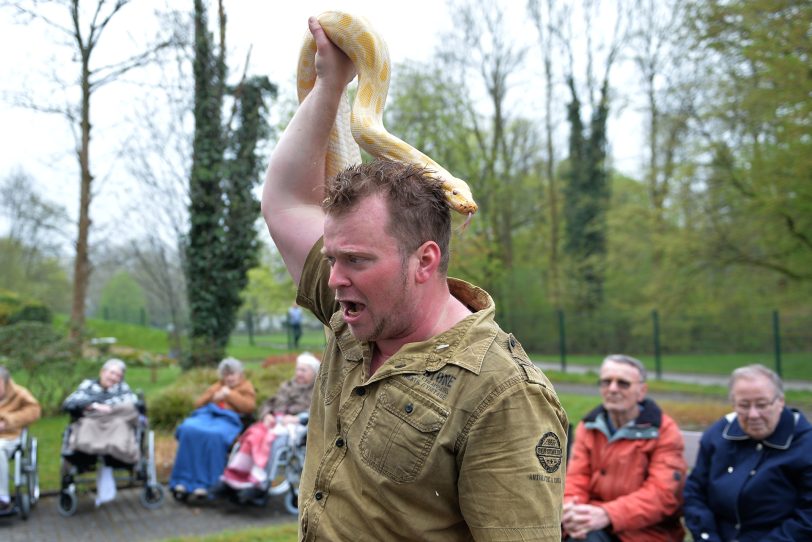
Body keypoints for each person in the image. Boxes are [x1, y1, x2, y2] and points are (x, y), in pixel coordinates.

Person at [261, 16, 568, 541]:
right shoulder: (356, 317)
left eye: (356, 260)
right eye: (333, 257)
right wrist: (330, 85)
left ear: (424, 260)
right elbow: (285, 201)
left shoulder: (503, 393)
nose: (334, 280)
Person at [562, 354, 686, 542]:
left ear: (642, 391)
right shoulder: (588, 427)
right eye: (606, 382)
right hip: (589, 525)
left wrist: (607, 515)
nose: (612, 389)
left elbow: (662, 495)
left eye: (623, 383)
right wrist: (572, 511)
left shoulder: (664, 431)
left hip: (644, 532)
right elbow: (576, 479)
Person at [684, 364, 812, 541]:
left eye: (762, 404)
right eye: (744, 405)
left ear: (780, 402)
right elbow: (695, 492)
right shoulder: (718, 435)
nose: (753, 414)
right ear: (733, 404)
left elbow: (808, 516)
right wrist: (707, 536)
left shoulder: (805, 444)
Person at [213, 352, 320, 502]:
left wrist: (297, 419)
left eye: (304, 370)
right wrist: (267, 415)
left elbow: (317, 412)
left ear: (314, 373)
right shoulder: (287, 386)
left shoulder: (318, 391)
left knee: (270, 441)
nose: (299, 373)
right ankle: (236, 478)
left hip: (295, 428)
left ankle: (259, 484)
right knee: (251, 435)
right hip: (274, 422)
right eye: (298, 369)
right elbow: (269, 403)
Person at [169, 357, 256, 499]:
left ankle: (207, 483)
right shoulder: (217, 386)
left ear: (240, 374)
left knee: (214, 436)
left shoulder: (246, 387)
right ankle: (182, 480)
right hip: (206, 416)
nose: (229, 378)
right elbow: (198, 404)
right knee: (188, 429)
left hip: (228, 420)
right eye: (226, 375)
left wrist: (229, 395)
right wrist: (214, 397)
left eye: (232, 374)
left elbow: (249, 407)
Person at [62, 358, 140, 506]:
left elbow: (134, 407)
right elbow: (69, 403)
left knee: (123, 418)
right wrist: (94, 406)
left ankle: (110, 452)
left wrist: (110, 408)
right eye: (112, 373)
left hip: (115, 420)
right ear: (102, 372)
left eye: (118, 375)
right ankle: (92, 451)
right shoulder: (87, 386)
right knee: (86, 423)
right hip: (92, 419)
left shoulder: (123, 389)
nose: (114, 377)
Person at [0, 366, 41, 511]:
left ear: (5, 382)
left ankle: (2, 497)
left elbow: (34, 410)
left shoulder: (19, 393)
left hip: (9, 436)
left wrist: (8, 421)